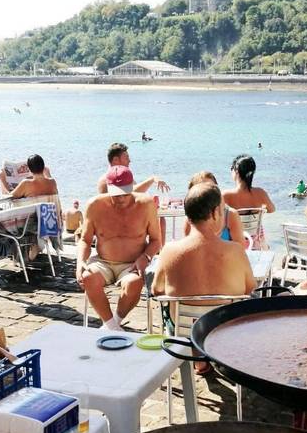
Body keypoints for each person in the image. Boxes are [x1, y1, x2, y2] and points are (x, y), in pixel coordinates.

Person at [151, 182, 256, 374]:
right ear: (216, 212)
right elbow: (250, 289)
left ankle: (198, 358)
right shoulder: (236, 251)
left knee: (171, 309)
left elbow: (157, 290)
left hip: (185, 332)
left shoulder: (169, 251)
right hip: (225, 331)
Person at [78, 165, 161, 331]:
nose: (121, 198)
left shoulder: (146, 205)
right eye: (116, 194)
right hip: (102, 261)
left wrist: (145, 258)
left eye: (125, 193)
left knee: (134, 283)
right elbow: (85, 240)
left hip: (132, 263)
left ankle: (113, 324)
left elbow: (156, 240)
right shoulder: (95, 205)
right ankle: (112, 327)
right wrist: (80, 261)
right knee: (87, 277)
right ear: (108, 188)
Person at [222, 154, 275, 249]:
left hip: (235, 240)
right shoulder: (260, 192)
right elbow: (272, 209)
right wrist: (260, 210)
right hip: (256, 241)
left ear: (236, 171)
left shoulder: (226, 195)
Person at [182, 171, 243, 242]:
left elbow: (240, 248)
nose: (209, 193)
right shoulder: (190, 220)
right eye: (203, 190)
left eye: (212, 188)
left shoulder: (230, 215)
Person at [95, 143, 170, 195]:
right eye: (126, 158)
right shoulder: (105, 181)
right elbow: (129, 194)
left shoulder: (124, 176)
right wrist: (152, 179)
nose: (129, 161)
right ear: (115, 160)